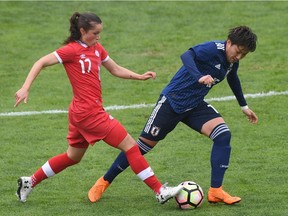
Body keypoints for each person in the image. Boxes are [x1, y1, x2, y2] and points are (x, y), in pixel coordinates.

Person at [14, 12, 183, 204]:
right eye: (95, 33)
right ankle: (160, 190)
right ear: (82, 31)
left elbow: (115, 69)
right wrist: (25, 87)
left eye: (99, 33)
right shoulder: (71, 50)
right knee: (131, 147)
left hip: (79, 113)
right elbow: (41, 62)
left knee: (72, 156)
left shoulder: (97, 48)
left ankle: (30, 181)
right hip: (90, 114)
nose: (98, 36)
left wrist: (139, 76)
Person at [88, 26, 258, 205]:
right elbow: (187, 56)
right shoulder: (212, 49)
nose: (238, 57)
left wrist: (244, 106)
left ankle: (216, 191)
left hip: (194, 105)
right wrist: (199, 77)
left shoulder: (232, 61)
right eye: (238, 51)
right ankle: (104, 181)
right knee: (140, 148)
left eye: (243, 55)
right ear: (229, 42)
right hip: (172, 102)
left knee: (223, 135)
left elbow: (233, 77)